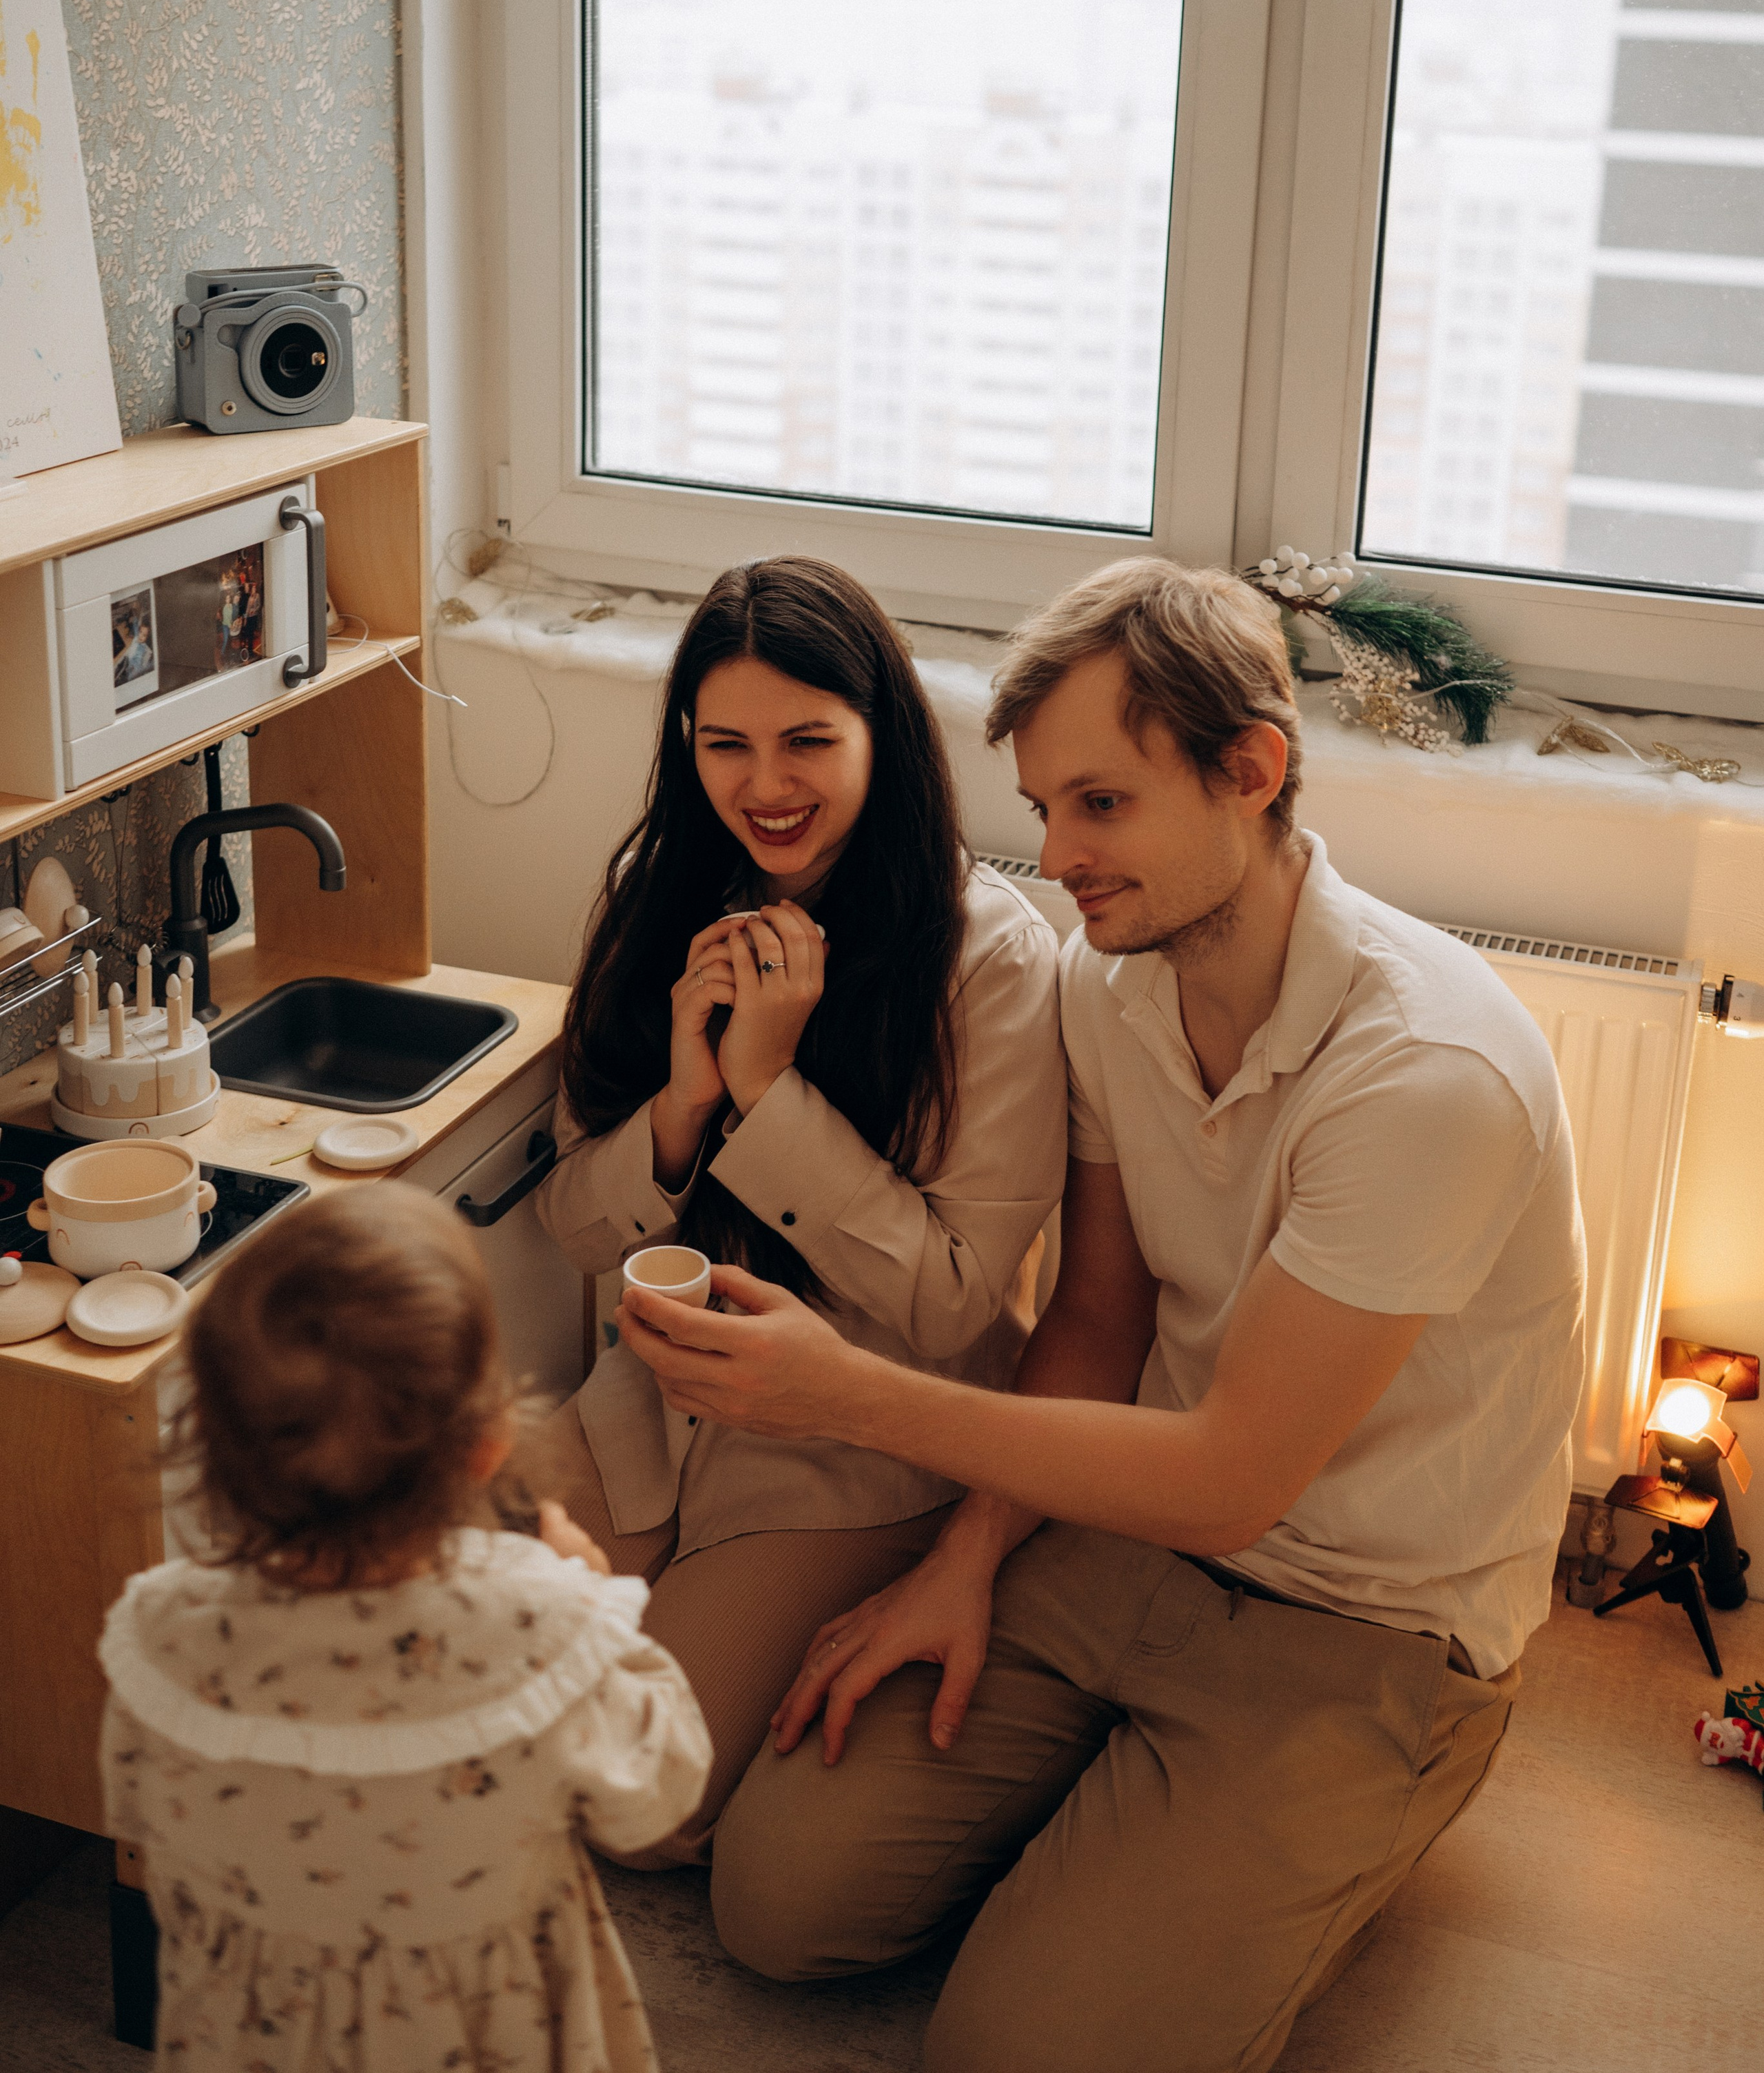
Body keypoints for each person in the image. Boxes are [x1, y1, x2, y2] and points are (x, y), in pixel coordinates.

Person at [613, 558, 1587, 2073]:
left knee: (1014, 2051)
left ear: (1249, 773)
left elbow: (1232, 1475)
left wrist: (842, 1396)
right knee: (776, 1904)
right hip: (1124, 1536)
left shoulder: (1425, 1074)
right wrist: (966, 1554)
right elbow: (1096, 1313)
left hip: (1359, 1620)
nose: (1055, 854)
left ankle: (1349, 1806)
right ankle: (1113, 1835)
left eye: (1101, 805)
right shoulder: (1109, 978)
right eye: (1043, 808)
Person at [530, 555, 1066, 1865]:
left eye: (808, 742)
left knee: (627, 1813)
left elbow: (950, 1306)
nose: (765, 786)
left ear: (881, 736)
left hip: (851, 1450)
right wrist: (684, 1100)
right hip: (648, 1411)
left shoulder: (990, 957)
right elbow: (575, 1227)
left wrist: (769, 1090)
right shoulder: (658, 898)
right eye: (726, 746)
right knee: (435, 1670)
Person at [100, 1187, 711, 2073]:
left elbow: (144, 1813)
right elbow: (658, 1789)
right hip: (486, 2025)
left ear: (216, 1453)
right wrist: (591, 1597)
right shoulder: (542, 1628)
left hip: (257, 2030)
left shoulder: (161, 1636)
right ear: (489, 1441)